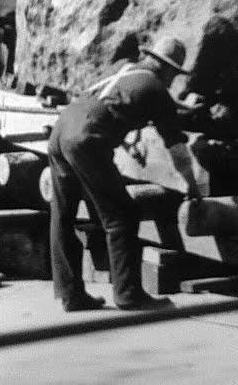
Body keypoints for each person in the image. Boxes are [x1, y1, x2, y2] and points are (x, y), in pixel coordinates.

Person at [48, 37, 202, 312]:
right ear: (166, 70)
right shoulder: (156, 89)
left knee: (63, 215)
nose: (172, 81)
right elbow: (177, 149)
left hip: (62, 129)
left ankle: (71, 295)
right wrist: (191, 185)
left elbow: (125, 96)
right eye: (173, 75)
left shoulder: (123, 67)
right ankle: (128, 293)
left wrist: (183, 106)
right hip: (86, 140)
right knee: (122, 215)